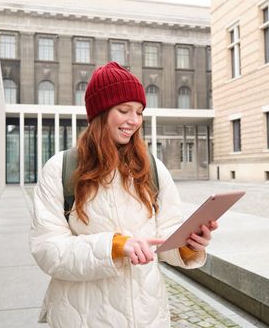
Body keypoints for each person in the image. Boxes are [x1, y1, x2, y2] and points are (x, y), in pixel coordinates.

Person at [29, 61, 218, 328]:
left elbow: (165, 236)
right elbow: (48, 250)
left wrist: (188, 245)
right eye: (124, 110)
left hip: (147, 314)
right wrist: (115, 246)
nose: (134, 120)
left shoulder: (152, 167)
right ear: (100, 112)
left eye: (139, 112)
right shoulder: (60, 169)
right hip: (83, 316)